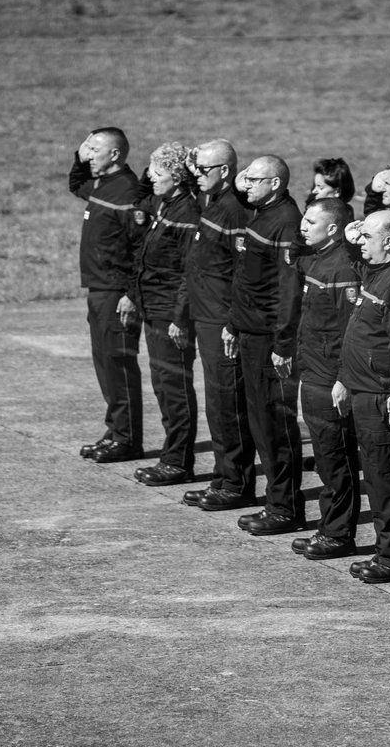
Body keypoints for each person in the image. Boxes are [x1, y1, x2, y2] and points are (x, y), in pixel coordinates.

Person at [227, 155, 306, 536]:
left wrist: (283, 343)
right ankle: (274, 502)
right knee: (258, 422)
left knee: (275, 425)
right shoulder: (263, 212)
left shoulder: (285, 221)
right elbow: (247, 278)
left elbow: (288, 291)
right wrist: (233, 322)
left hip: (267, 339)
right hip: (249, 331)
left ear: (274, 183)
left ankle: (285, 508)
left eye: (255, 180)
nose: (246, 185)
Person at [179, 139, 258, 511]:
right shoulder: (213, 204)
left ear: (224, 171)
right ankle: (222, 477)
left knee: (229, 403)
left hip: (223, 322)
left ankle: (236, 483)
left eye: (203, 170)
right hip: (205, 317)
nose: (197, 176)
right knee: (217, 403)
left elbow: (244, 275)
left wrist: (231, 322)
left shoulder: (235, 212)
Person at [341, 210, 390, 583]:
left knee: (388, 478)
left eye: (367, 237)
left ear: (388, 241)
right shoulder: (376, 271)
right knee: (375, 477)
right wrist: (344, 377)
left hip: (380, 394)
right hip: (362, 388)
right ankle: (384, 551)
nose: (360, 243)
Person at [290, 197, 362, 558]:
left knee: (337, 459)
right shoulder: (318, 258)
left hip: (329, 376)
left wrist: (343, 378)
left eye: (310, 221)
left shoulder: (343, 268)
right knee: (324, 457)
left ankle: (338, 534)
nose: (302, 226)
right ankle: (328, 527)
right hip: (313, 370)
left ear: (332, 228)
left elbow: (348, 331)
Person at [69, 127, 144, 463]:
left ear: (115, 154)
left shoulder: (128, 191)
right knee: (105, 364)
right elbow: (76, 184)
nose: (88, 154)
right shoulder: (100, 184)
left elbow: (140, 248)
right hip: (98, 288)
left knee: (119, 364)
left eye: (94, 148)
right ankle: (115, 430)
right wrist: (79, 156)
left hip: (116, 292)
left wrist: (131, 294)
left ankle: (128, 439)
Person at [128, 142, 200, 486]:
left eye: (157, 171)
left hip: (169, 313)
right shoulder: (165, 202)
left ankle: (177, 462)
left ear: (176, 176)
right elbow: (139, 199)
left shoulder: (186, 213)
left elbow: (189, 272)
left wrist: (179, 319)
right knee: (162, 383)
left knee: (174, 387)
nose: (150, 176)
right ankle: (171, 456)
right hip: (153, 308)